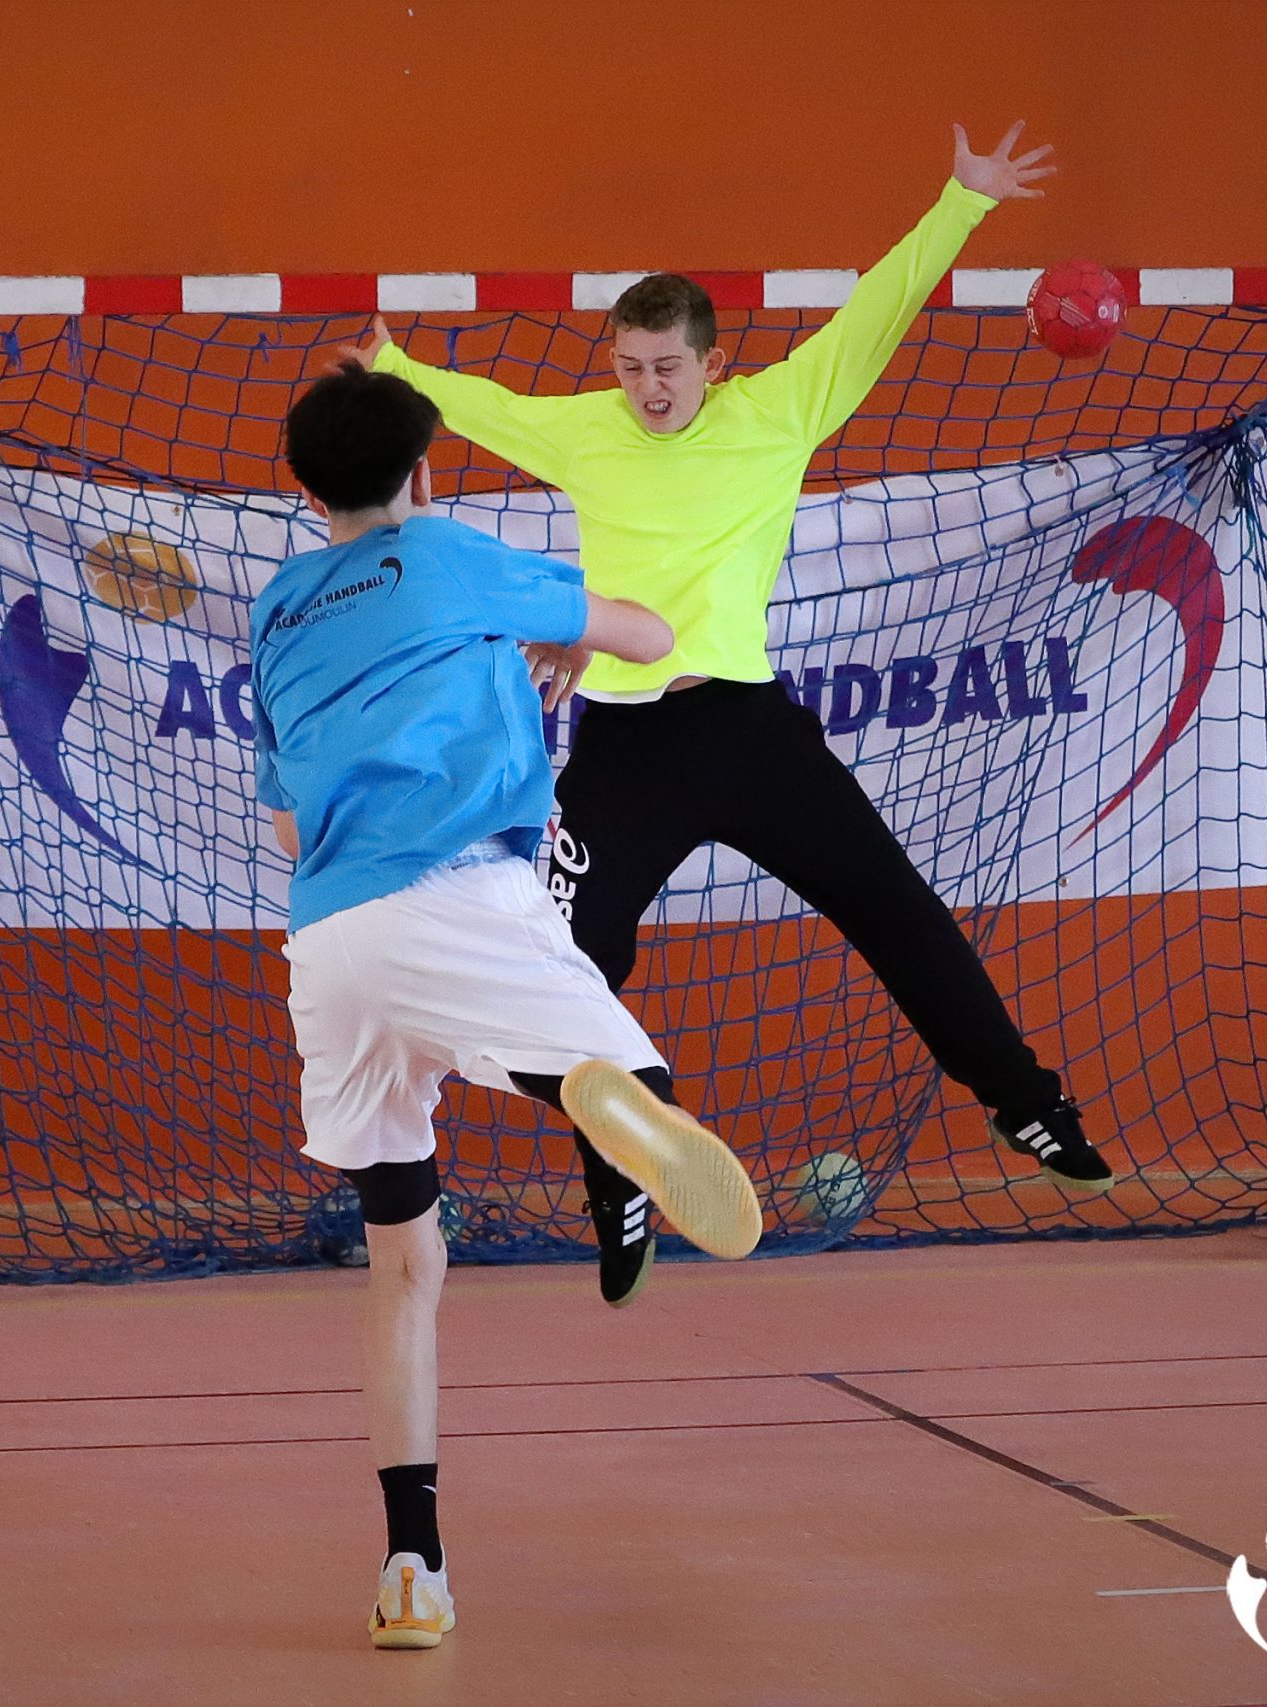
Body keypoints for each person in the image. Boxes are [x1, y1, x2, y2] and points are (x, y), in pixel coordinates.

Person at [342, 122, 1113, 1301]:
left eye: (666, 367)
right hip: (624, 746)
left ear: (711, 362)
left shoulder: (777, 413)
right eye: (629, 368)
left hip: (749, 732)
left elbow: (877, 313)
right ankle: (624, 1177)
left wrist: (961, 201)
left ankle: (1024, 1102)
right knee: (569, 970)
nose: (647, 389)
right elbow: (472, 402)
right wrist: (390, 365)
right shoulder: (584, 429)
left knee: (896, 911)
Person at [253, 364, 763, 1649]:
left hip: (329, 942)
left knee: (403, 1263)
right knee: (627, 1078)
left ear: (304, 491)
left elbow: (285, 823)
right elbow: (647, 634)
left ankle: (410, 1571)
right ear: (423, 473)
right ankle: (593, 1107)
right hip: (459, 892)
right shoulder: (446, 555)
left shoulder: (276, 610)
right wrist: (571, 639)